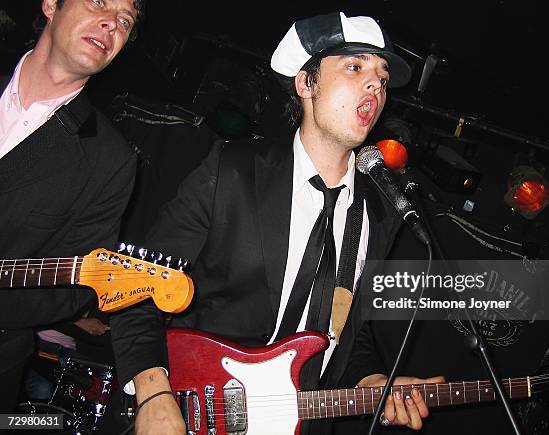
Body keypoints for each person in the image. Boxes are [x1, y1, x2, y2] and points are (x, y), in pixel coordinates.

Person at [110, 11, 444, 435]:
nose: (375, 85)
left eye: (380, 75)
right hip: (195, 411)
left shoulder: (379, 213)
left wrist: (374, 380)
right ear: (306, 84)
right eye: (354, 67)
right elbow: (137, 286)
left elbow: (346, 334)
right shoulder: (231, 171)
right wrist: (154, 394)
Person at [0, 0, 144, 413]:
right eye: (99, 2)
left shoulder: (110, 160)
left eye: (124, 20)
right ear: (50, 5)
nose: (111, 23)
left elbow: (72, 287)